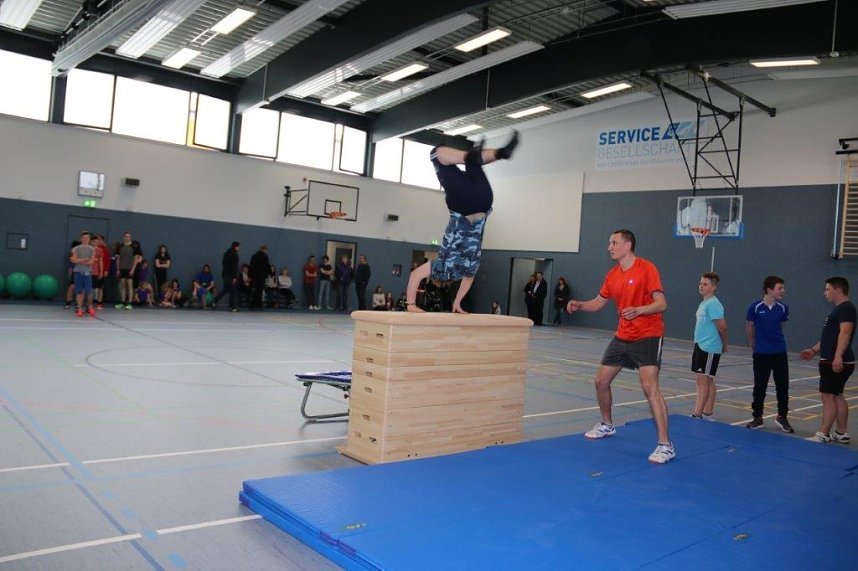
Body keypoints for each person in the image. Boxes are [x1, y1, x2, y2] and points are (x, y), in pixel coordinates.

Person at [566, 229, 674, 464]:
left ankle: (665, 445)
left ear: (628, 245)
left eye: (614, 243)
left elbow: (661, 303)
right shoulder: (613, 275)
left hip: (648, 334)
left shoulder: (647, 268)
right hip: (623, 335)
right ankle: (607, 424)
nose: (609, 247)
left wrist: (639, 310)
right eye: (609, 243)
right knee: (601, 381)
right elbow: (598, 303)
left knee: (649, 387)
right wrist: (579, 305)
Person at [406, 131, 520, 313]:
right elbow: (415, 275)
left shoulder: (470, 267)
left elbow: (468, 280)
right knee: (436, 154)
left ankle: (500, 153)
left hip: (484, 201)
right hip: (463, 205)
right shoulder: (441, 266)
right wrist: (411, 305)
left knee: (472, 162)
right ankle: (476, 155)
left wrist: (457, 302)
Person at [801, 277, 855, 443]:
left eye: (827, 289)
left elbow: (845, 333)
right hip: (835, 359)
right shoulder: (839, 310)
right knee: (838, 395)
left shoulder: (845, 309)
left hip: (834, 361)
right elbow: (829, 337)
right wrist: (814, 350)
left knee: (828, 397)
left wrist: (838, 356)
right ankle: (841, 432)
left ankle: (823, 434)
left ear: (838, 290)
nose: (825, 293)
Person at [745, 276, 793, 432]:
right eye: (780, 288)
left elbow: (782, 324)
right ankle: (757, 417)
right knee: (760, 386)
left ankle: (782, 416)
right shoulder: (755, 307)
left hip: (779, 352)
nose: (783, 291)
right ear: (769, 289)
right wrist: (753, 344)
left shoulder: (783, 308)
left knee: (783, 386)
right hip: (761, 353)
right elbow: (749, 327)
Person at [691, 272, 728, 420]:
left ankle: (697, 413)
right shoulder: (704, 303)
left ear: (713, 287)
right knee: (708, 379)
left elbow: (722, 327)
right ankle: (707, 411)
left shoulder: (713, 304)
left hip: (709, 347)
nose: (701, 286)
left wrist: (724, 344)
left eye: (705, 284)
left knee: (703, 380)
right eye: (700, 283)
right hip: (700, 345)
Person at [70, 231, 96, 317]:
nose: (85, 239)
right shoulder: (76, 249)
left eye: (87, 238)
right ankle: (79, 308)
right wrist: (84, 259)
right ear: (81, 239)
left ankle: (90, 306)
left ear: (89, 239)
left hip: (87, 272)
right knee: (79, 291)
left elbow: (92, 261)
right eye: (84, 238)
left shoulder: (92, 249)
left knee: (89, 292)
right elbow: (73, 260)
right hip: (78, 272)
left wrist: (80, 261)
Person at [114, 231, 141, 310]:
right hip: (122, 268)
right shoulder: (120, 246)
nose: (127, 238)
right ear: (123, 237)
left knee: (129, 285)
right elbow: (118, 259)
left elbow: (136, 259)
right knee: (123, 286)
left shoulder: (134, 247)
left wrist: (133, 269)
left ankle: (129, 303)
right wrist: (118, 269)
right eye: (126, 236)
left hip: (130, 268)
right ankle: (123, 302)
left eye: (129, 237)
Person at [213, 241, 240, 312]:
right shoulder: (235, 255)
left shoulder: (226, 253)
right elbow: (235, 267)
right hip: (231, 276)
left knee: (226, 289)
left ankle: (215, 300)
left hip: (225, 275)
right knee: (234, 290)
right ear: (235, 247)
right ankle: (234, 307)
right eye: (238, 247)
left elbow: (223, 263)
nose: (239, 248)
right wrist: (234, 277)